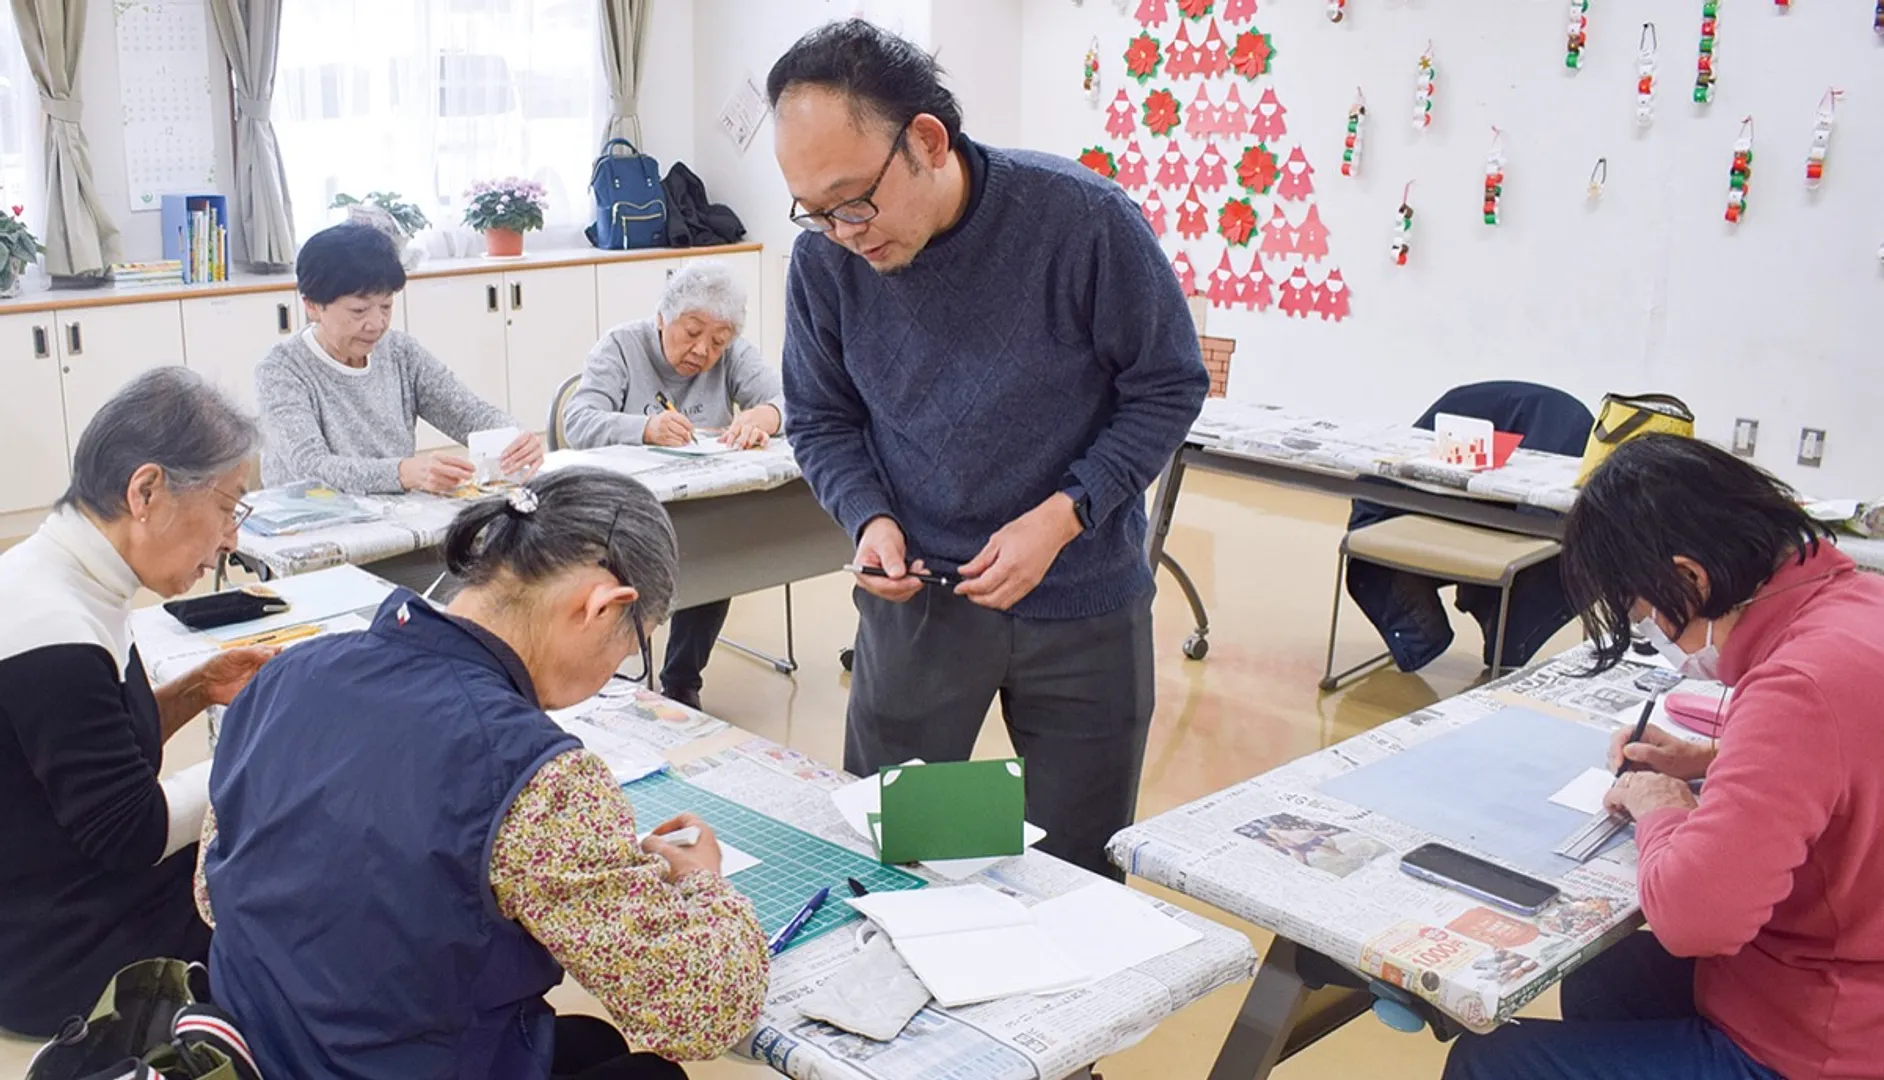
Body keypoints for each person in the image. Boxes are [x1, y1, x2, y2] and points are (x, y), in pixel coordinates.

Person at [768, 21, 1208, 879]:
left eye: (853, 201)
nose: (844, 231)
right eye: (815, 212)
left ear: (926, 141)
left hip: (1080, 599)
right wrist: (869, 517)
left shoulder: (1081, 222)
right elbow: (820, 418)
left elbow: (1166, 386)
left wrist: (1062, 516)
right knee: (907, 851)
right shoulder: (825, 260)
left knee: (1076, 859)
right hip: (922, 602)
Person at [198, 468, 768, 1079]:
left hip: (255, 1051)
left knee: (588, 1041)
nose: (613, 675)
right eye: (633, 651)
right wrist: (703, 885)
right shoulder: (538, 777)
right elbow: (707, 1011)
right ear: (605, 608)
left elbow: (212, 894)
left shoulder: (289, 672)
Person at [1443, 434, 1884, 1080]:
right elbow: (1847, 764)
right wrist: (1714, 757)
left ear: (1688, 578)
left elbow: (1694, 919)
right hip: (1840, 967)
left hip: (1825, 1041)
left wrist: (1662, 806)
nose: (1646, 629)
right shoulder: (1858, 605)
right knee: (1606, 980)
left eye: (1639, 610)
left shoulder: (1798, 685)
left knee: (1492, 1064)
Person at [0, 368, 275, 1035]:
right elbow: (131, 831)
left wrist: (199, 688)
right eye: (227, 506)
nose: (230, 538)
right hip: (56, 950)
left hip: (55, 890)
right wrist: (269, 749)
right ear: (147, 490)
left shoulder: (60, 574)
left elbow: (96, 749)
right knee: (282, 881)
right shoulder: (49, 627)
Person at [563, 261, 785, 710]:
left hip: (705, 503)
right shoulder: (622, 346)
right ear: (662, 317)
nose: (703, 350)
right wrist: (645, 429)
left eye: (718, 341)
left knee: (719, 555)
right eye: (691, 332)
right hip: (624, 511)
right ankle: (604, 677)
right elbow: (578, 421)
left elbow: (796, 399)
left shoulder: (735, 355)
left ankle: (682, 680)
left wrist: (767, 416)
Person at [255, 222, 544, 496]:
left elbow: (468, 413)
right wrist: (404, 473)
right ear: (313, 306)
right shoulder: (281, 370)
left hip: (393, 516)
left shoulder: (400, 352)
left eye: (386, 306)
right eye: (359, 311)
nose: (376, 323)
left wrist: (513, 438)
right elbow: (311, 467)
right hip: (311, 526)